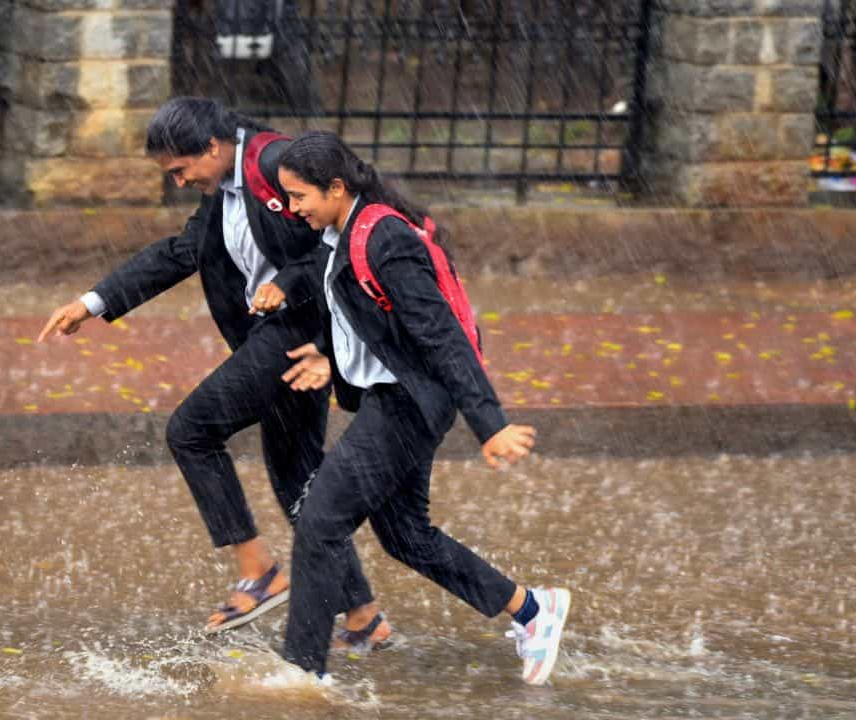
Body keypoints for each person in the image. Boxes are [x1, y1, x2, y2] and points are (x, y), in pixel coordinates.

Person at [36, 99, 388, 642]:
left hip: (298, 337)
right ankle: (364, 619)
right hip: (285, 340)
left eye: (181, 169)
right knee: (297, 478)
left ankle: (260, 573)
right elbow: (180, 253)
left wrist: (290, 287)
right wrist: (93, 302)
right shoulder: (221, 194)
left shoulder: (274, 165)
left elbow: (342, 234)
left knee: (191, 431)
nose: (178, 181)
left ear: (212, 148)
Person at [274, 131, 570, 684]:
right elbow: (374, 325)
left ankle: (300, 673)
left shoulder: (383, 237)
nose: (293, 210)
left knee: (320, 522)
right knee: (406, 536)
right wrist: (331, 361)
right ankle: (533, 611)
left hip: (409, 403)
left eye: (300, 197)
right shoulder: (345, 230)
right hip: (398, 398)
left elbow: (442, 337)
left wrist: (490, 424)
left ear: (335, 188)